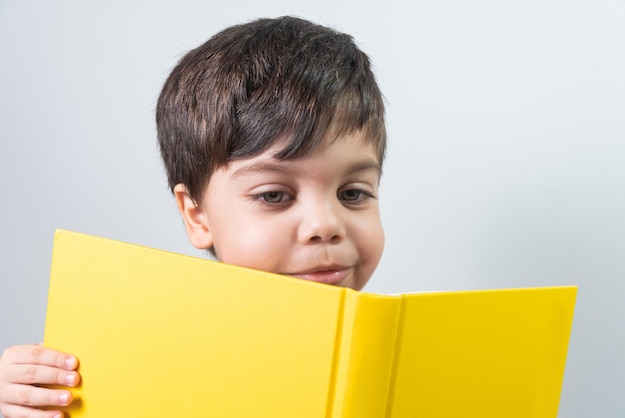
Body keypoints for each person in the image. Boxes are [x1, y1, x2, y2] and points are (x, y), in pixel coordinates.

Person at [0, 16, 387, 418]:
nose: (325, 225)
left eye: (352, 193)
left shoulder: (393, 357)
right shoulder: (133, 356)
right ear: (197, 215)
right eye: (274, 195)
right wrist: (23, 399)